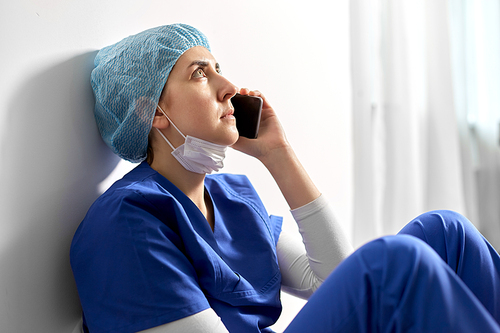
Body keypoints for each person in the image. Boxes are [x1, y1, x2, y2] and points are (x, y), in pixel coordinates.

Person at [70, 24, 500, 333]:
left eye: (218, 67)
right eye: (201, 73)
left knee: (447, 233)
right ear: (153, 113)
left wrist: (278, 154)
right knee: (393, 266)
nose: (228, 86)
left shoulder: (231, 198)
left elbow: (328, 278)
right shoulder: (128, 222)